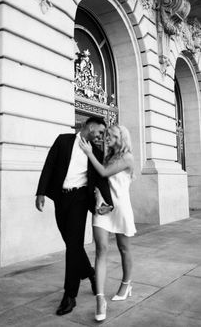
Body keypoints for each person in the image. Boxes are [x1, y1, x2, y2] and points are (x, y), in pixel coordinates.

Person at [35, 117, 113, 316]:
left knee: (73, 246)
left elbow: (101, 177)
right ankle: (91, 274)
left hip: (80, 199)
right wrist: (40, 192)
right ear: (90, 126)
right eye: (100, 131)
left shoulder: (95, 152)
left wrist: (108, 202)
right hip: (60, 198)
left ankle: (70, 295)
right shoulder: (63, 140)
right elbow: (49, 165)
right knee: (72, 244)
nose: (100, 136)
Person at [80, 124, 136, 322]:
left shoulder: (127, 157)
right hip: (103, 208)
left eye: (110, 135)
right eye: (106, 135)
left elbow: (104, 173)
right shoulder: (107, 155)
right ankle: (100, 299)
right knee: (101, 250)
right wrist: (96, 193)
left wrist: (89, 153)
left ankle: (127, 283)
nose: (106, 138)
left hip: (121, 208)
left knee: (123, 249)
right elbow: (99, 179)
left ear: (121, 137)